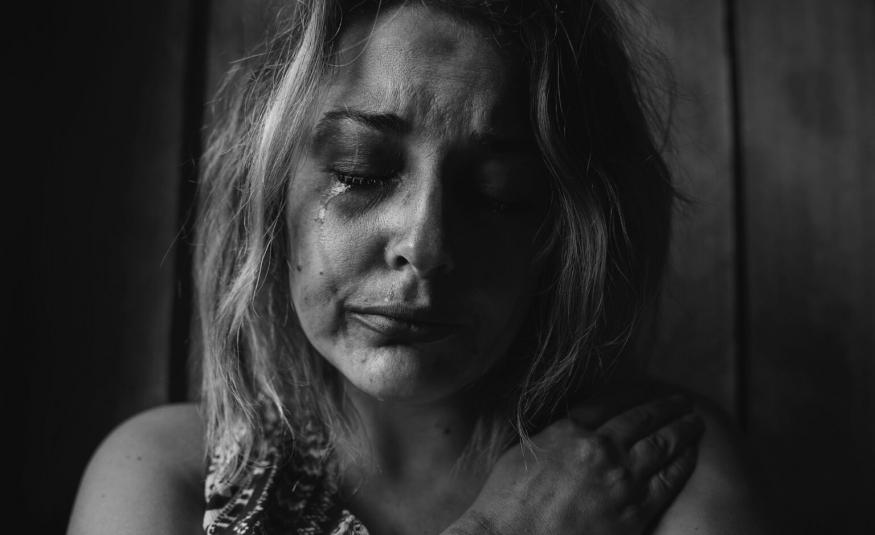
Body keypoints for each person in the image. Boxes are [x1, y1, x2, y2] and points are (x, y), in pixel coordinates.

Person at [68, 1, 767, 534]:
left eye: (498, 193)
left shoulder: (651, 462)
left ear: (565, 232)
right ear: (271, 191)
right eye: (361, 172)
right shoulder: (166, 474)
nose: (425, 245)